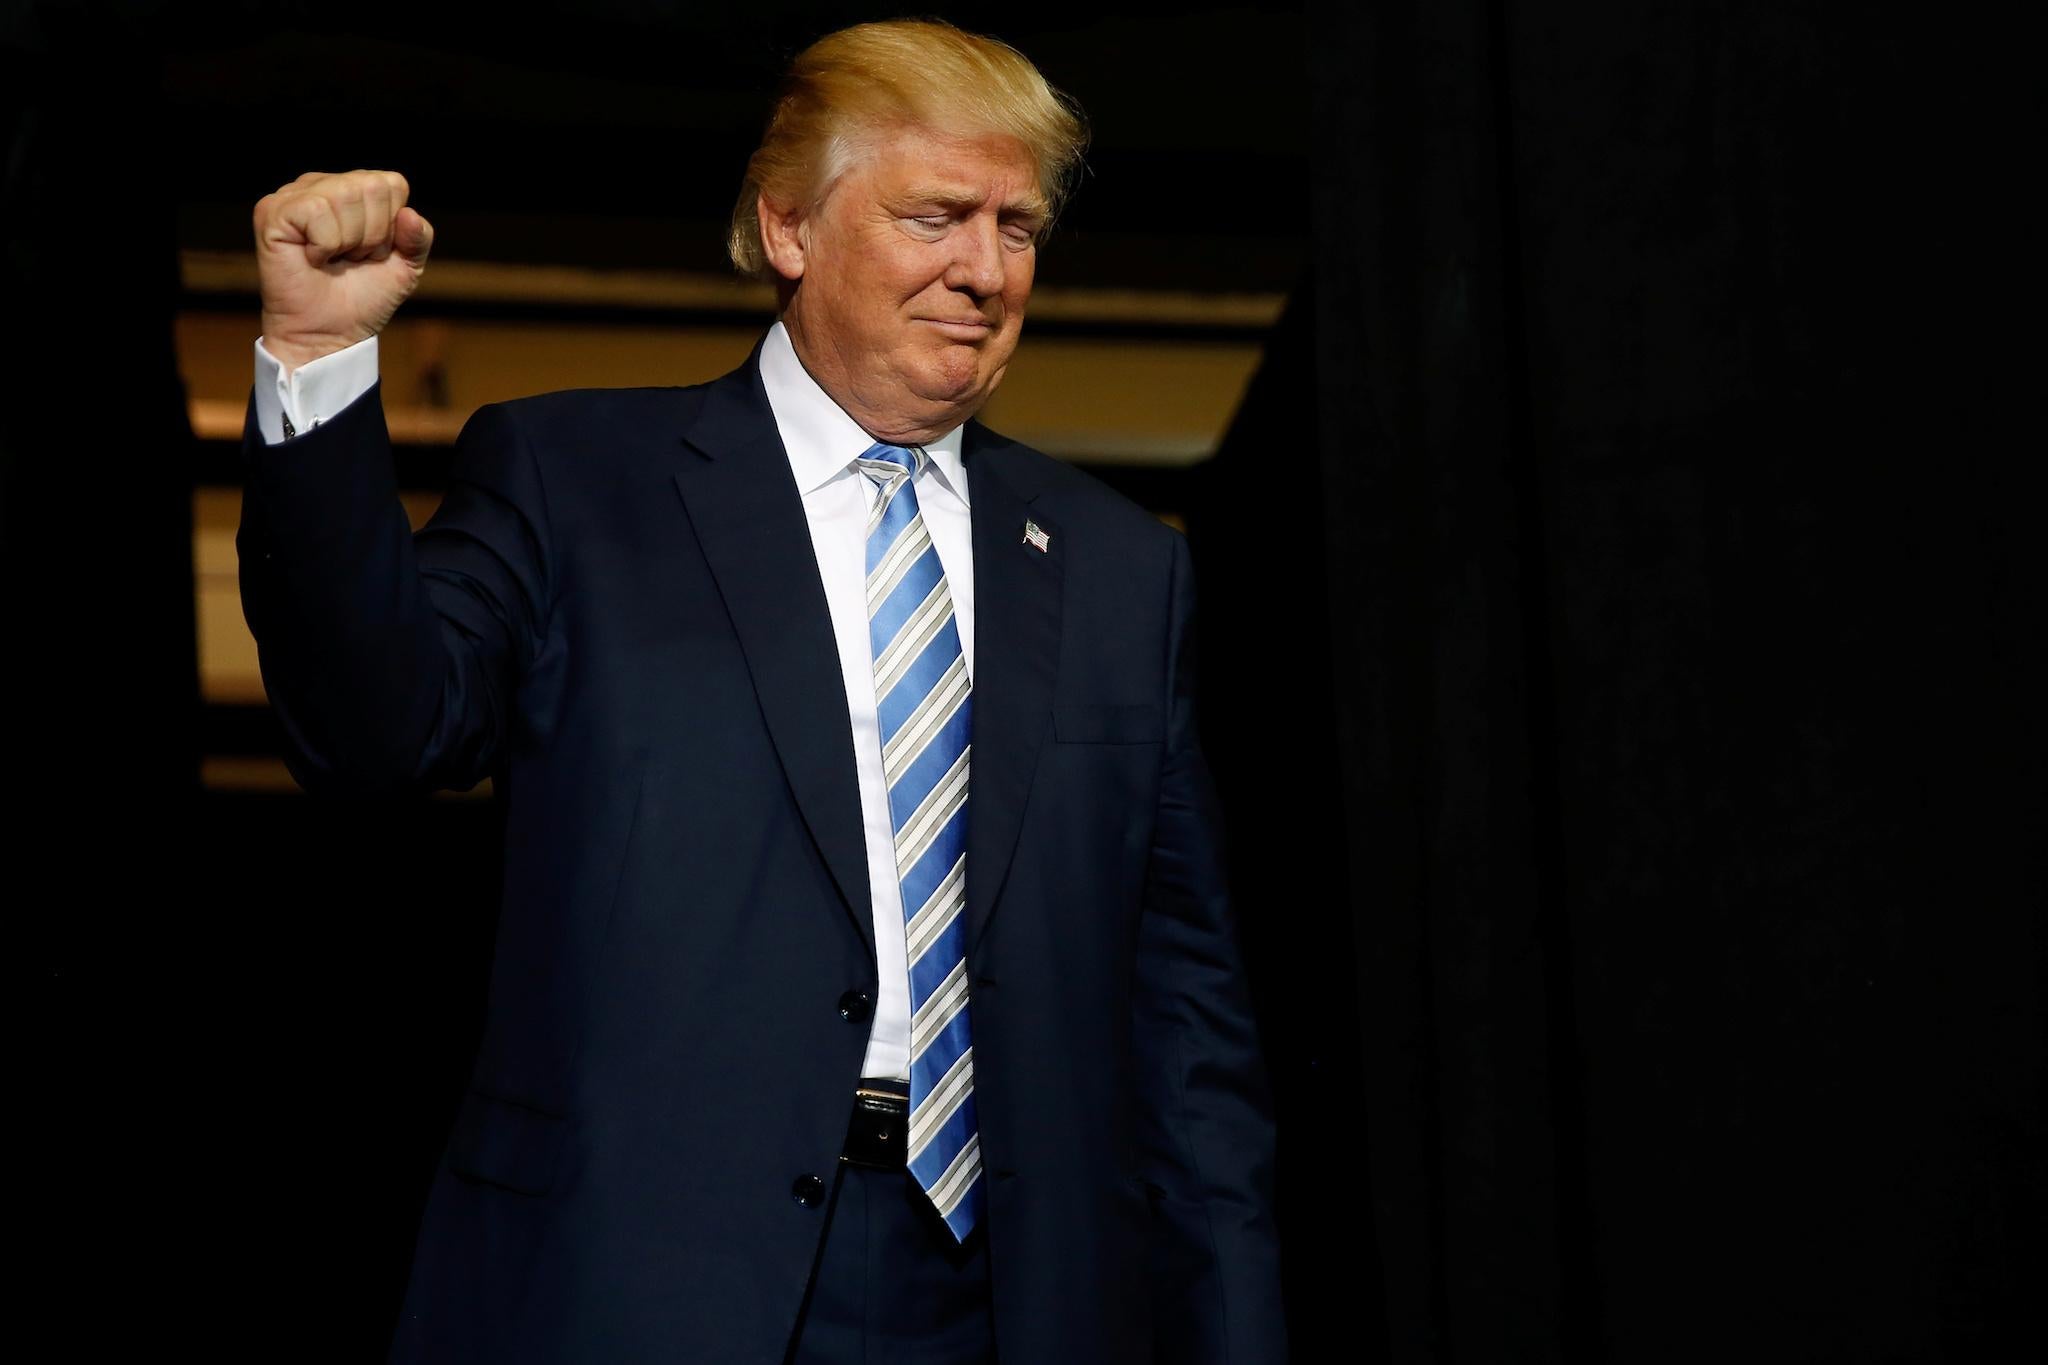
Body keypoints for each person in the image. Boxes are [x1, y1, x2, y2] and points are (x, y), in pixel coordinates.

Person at [238, 18, 1284, 1363]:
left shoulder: (1123, 568)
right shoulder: (578, 482)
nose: (986, 269)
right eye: (937, 216)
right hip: (646, 1281)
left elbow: (1188, 1035)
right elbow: (374, 732)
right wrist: (320, 364)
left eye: (1018, 227)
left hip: (1017, 1298)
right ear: (789, 226)